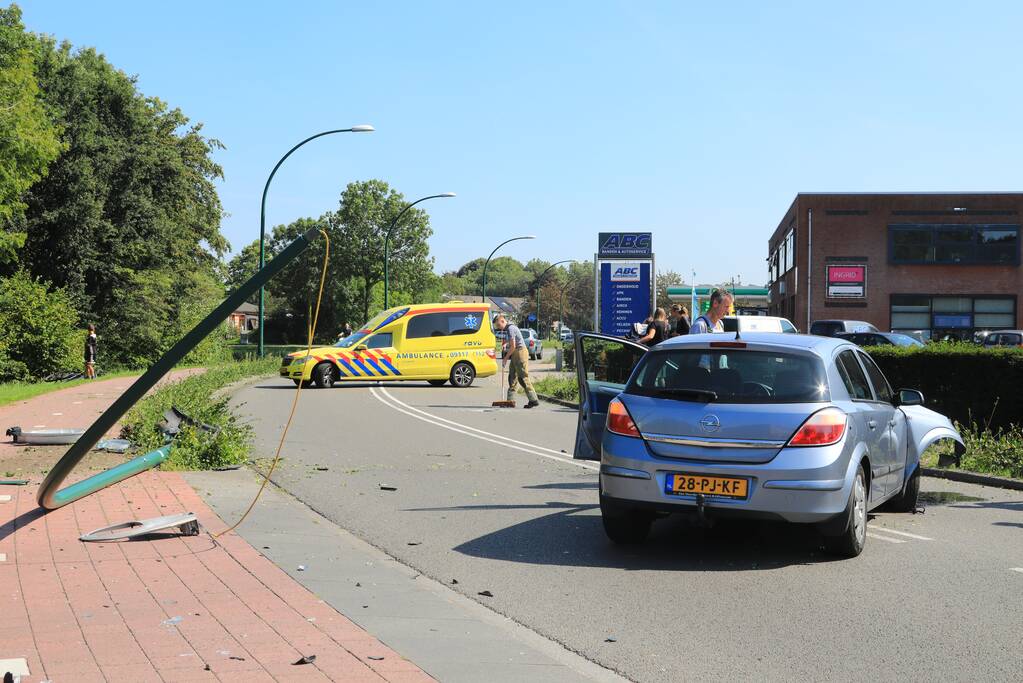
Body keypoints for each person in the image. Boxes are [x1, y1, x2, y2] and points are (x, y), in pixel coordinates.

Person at [494, 314, 539, 408]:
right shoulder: (509, 328)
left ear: (502, 321)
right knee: (512, 376)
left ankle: (533, 399)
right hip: (515, 352)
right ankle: (510, 401)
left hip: (520, 352)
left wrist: (506, 358)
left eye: (498, 325)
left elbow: (513, 346)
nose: (499, 328)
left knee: (522, 377)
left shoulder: (510, 328)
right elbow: (512, 340)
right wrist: (505, 343)